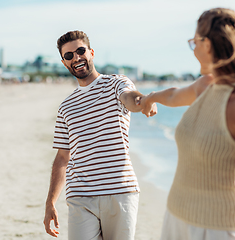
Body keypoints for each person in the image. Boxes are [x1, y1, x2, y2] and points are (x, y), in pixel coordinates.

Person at [138, 8, 235, 240]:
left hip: (218, 230)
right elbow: (173, 95)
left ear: (207, 45)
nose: (194, 49)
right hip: (175, 218)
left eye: (194, 42)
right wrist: (150, 98)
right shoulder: (205, 86)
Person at [43, 30, 157, 240]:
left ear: (91, 52)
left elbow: (130, 99)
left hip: (120, 190)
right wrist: (50, 202)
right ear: (64, 63)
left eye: (80, 51)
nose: (76, 58)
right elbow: (62, 157)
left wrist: (143, 101)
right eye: (69, 55)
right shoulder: (66, 107)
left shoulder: (116, 83)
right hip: (80, 196)